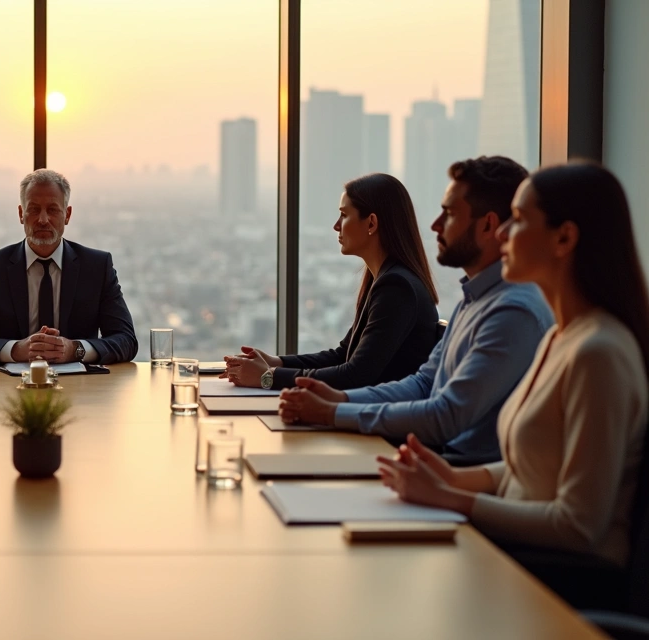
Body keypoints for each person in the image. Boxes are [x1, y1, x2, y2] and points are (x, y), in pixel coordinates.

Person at [379, 162, 648, 568]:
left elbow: (578, 526)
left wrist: (451, 498)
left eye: (518, 219)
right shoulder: (561, 337)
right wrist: (451, 479)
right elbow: (532, 469)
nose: (502, 232)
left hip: (558, 579)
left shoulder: (598, 353)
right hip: (519, 555)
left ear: (564, 238)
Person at [278, 156, 554, 464]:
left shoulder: (513, 312)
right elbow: (424, 383)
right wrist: (341, 399)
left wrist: (334, 412)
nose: (435, 225)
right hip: (440, 464)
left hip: (457, 469)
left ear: (488, 225)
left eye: (449, 214)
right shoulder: (475, 298)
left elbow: (446, 416)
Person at [223, 173, 439, 390]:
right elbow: (343, 355)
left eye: (344, 215)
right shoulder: (387, 279)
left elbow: (355, 375)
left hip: (381, 411)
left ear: (371, 223)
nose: (336, 226)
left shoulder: (396, 287)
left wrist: (268, 377)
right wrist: (276, 362)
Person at [0, 169, 138, 365]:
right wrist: (17, 350)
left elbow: (126, 340)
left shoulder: (96, 267)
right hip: (11, 382)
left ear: (67, 215)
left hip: (80, 383)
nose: (43, 220)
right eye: (34, 209)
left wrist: (75, 350)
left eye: (52, 210)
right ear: (21, 214)